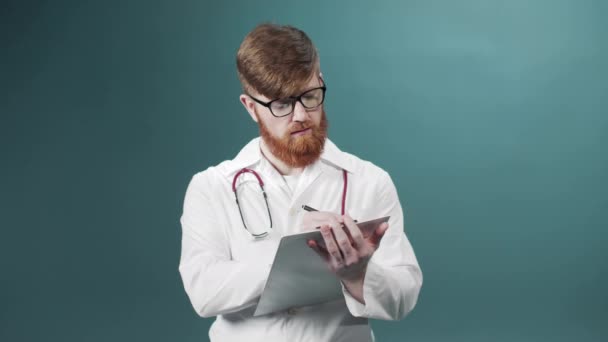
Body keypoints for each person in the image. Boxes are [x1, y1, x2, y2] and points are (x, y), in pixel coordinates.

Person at [178, 23, 422, 342]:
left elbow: (402, 299)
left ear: (321, 82)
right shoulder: (211, 187)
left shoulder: (370, 181)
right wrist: (297, 256)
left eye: (309, 96)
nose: (300, 116)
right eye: (281, 104)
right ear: (251, 107)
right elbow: (204, 293)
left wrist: (358, 275)